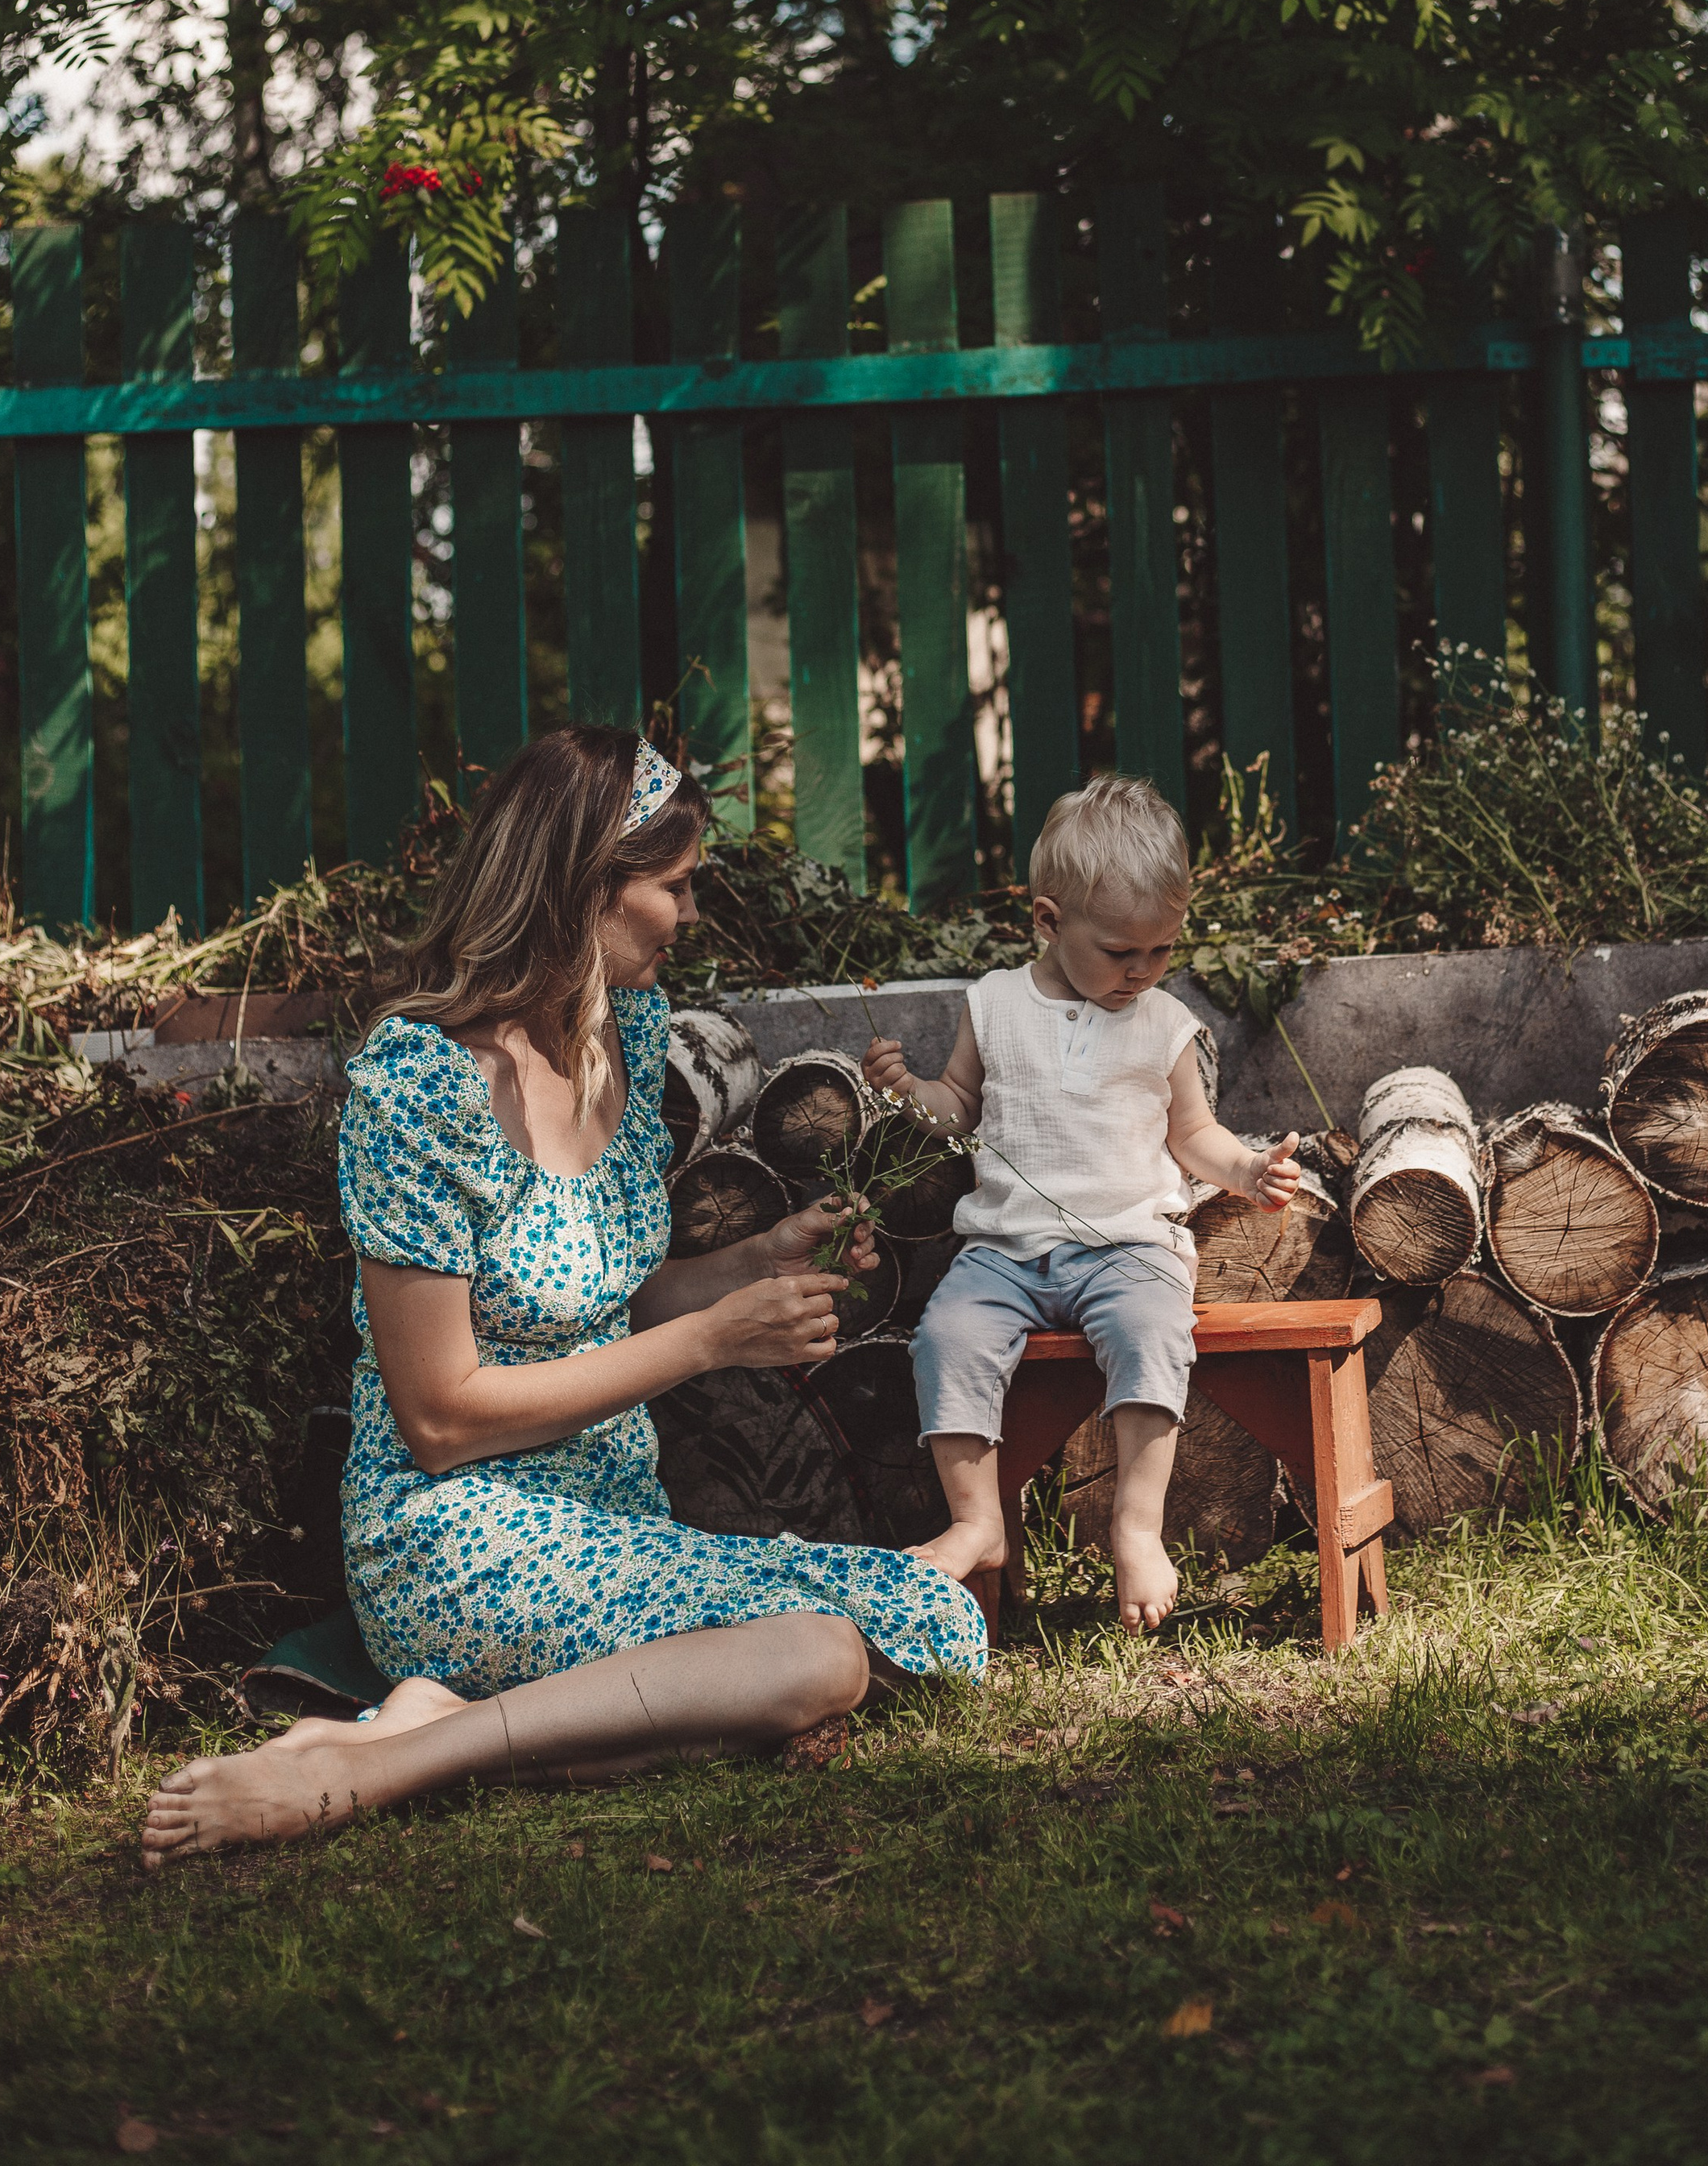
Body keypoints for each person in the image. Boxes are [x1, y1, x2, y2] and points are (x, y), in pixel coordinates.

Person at [142, 726, 984, 1869]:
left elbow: (606, 1303)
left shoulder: (618, 1037)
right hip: (456, 1536)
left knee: (934, 1613)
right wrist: (709, 1341)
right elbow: (440, 1417)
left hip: (611, 1517)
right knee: (823, 1661)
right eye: (673, 887)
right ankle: (370, 1768)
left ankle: (445, 1722)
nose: (688, 915)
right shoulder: (420, 1084)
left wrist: (757, 1268)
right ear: (588, 888)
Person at [861, 774, 1300, 1637]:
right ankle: (978, 1521)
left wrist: (1246, 1168)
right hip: (1003, 1252)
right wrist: (907, 1090)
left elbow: (1192, 1135)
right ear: (1048, 920)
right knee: (945, 1338)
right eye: (1119, 951)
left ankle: (1136, 1528)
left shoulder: (1162, 1024)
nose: (1141, 971)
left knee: (1150, 1335)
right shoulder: (992, 1005)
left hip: (1129, 1247)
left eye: (1160, 951)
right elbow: (958, 1106)